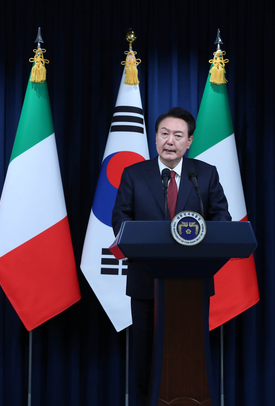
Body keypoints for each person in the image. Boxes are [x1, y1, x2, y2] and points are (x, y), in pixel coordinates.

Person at [111, 107, 231, 406]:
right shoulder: (134, 174)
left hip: (192, 282)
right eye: (164, 133)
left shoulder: (203, 174)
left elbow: (222, 218)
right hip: (145, 282)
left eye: (178, 135)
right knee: (145, 354)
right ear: (155, 138)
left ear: (189, 141)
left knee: (188, 350)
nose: (170, 141)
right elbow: (120, 220)